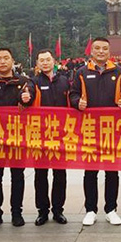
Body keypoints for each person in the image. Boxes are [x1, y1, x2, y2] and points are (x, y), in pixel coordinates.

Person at [69, 37, 121, 226]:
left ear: (109, 52)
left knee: (112, 171)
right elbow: (73, 94)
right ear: (91, 50)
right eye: (97, 48)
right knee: (90, 172)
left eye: (104, 48)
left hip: (112, 129)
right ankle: (90, 210)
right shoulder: (81, 72)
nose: (101, 51)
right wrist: (77, 102)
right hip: (89, 129)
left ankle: (111, 209)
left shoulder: (119, 72)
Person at [0, 47, 36, 229]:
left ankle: (17, 213)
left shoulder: (24, 81)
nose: (2, 62)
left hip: (17, 136)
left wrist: (26, 98)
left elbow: (30, 95)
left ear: (12, 61)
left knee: (17, 176)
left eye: (6, 58)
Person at [32, 49, 70, 225]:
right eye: (42, 60)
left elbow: (72, 100)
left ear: (53, 61)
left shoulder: (64, 81)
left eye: (48, 59)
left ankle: (58, 210)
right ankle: (42, 211)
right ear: (37, 64)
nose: (45, 63)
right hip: (40, 135)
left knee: (60, 174)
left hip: (61, 134)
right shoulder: (34, 82)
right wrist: (25, 98)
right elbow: (26, 99)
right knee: (40, 174)